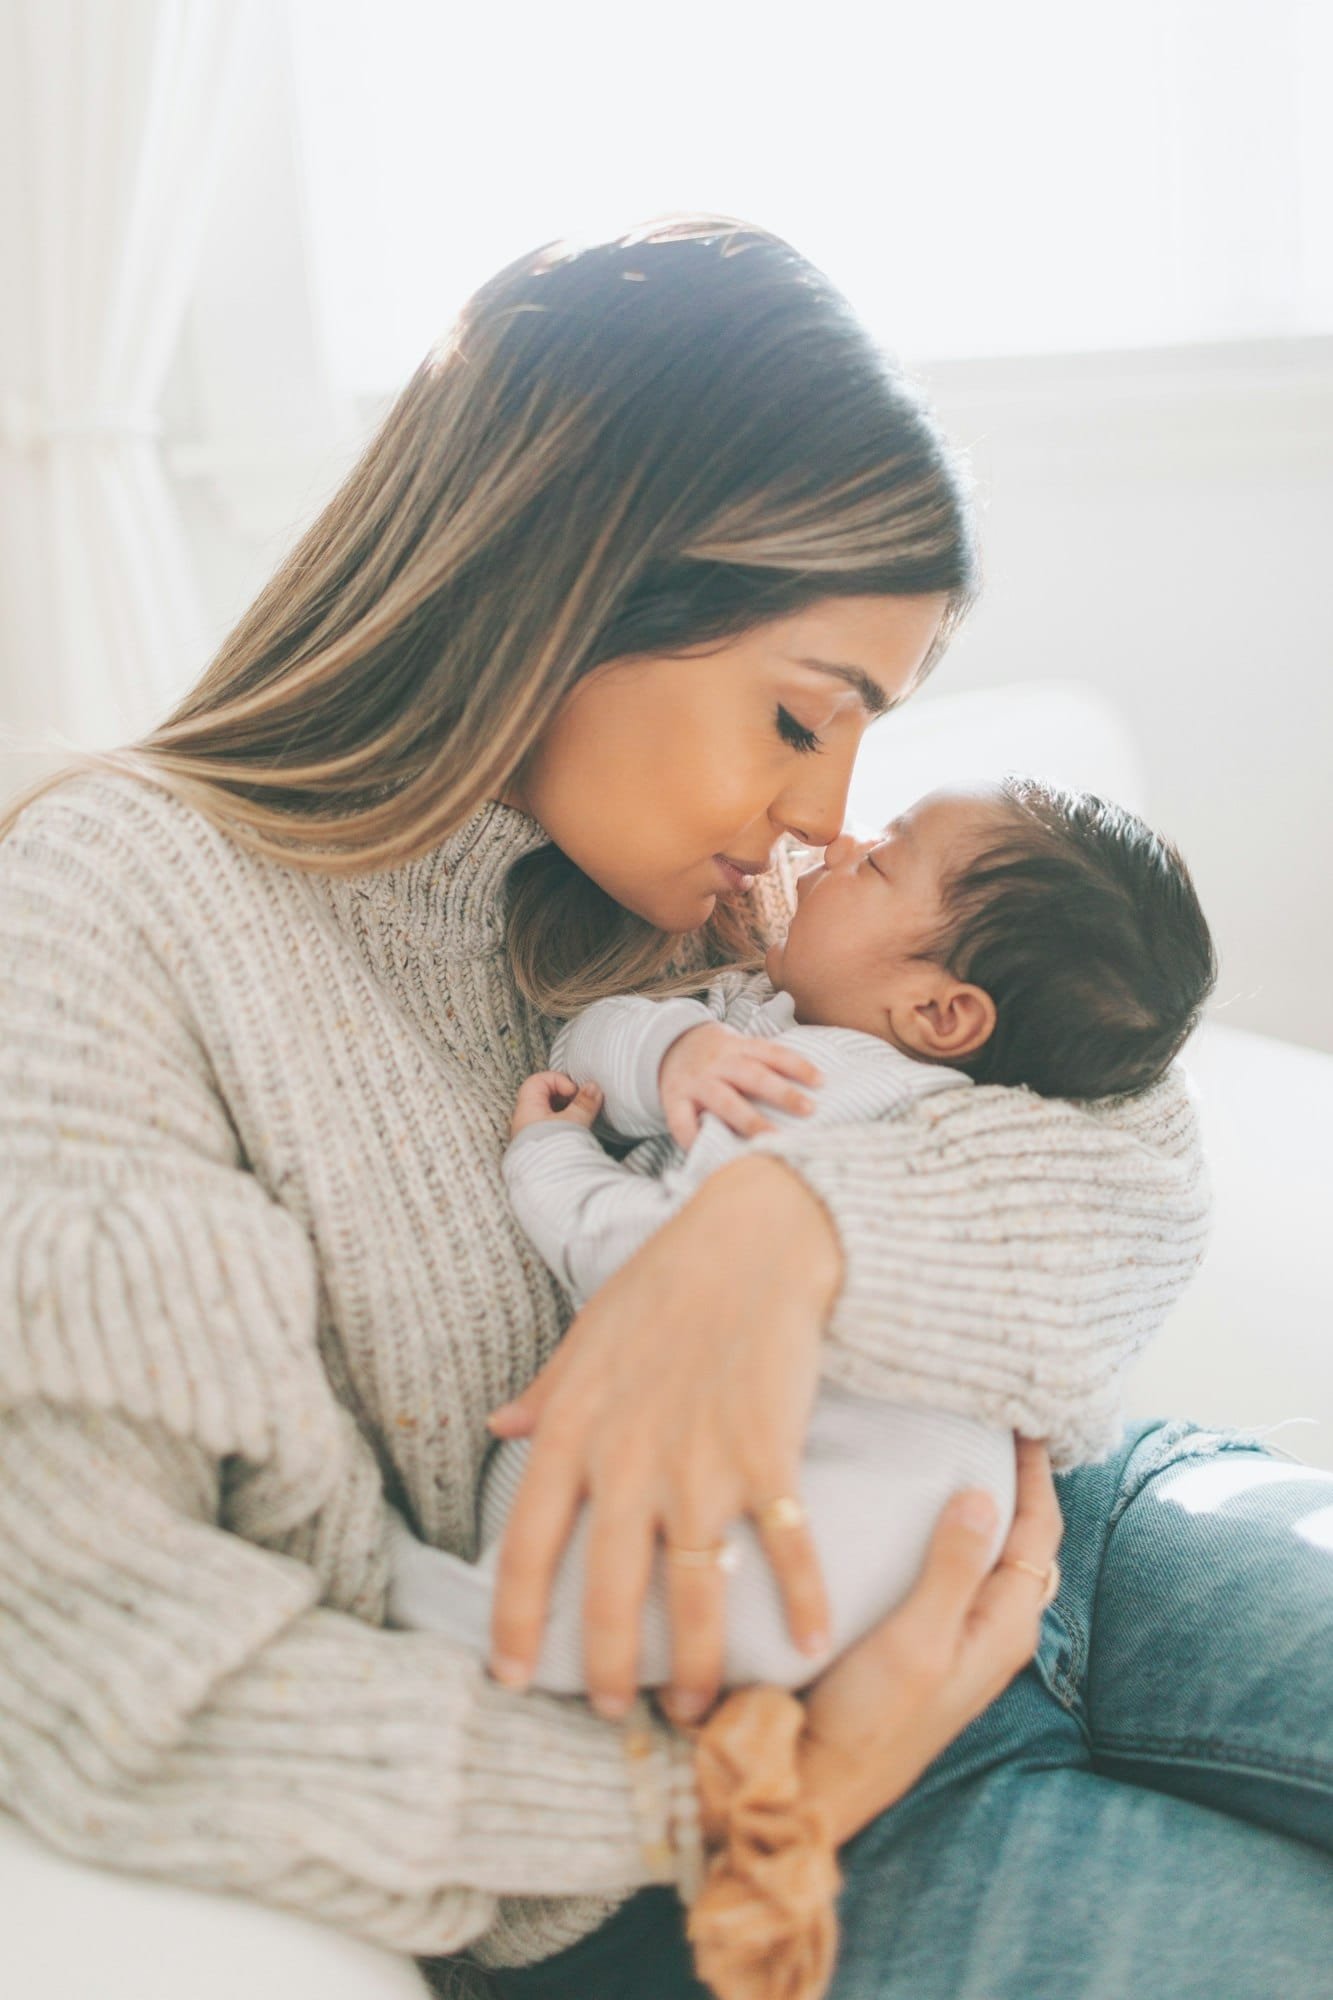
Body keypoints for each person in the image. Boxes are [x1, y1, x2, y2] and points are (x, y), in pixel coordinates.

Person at [0, 215, 1329, 2000]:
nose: (822, 812)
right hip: (770, 1821)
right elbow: (110, 1671)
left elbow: (1133, 1147)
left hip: (1076, 1537)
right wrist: (717, 1796)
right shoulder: (116, 916)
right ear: (568, 581)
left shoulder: (692, 882)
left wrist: (788, 1241)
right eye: (800, 717)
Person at [385, 774, 1218, 1701]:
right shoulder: (843, 1045)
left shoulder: (820, 1085)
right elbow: (602, 1040)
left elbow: (656, 1269)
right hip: (922, 1579)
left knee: (569, 1506)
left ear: (939, 1014)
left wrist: (549, 1161)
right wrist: (674, 1051)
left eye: (880, 862)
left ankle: (481, 1624)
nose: (836, 842)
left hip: (817, 1539)